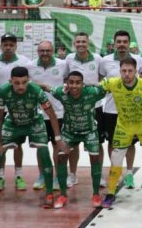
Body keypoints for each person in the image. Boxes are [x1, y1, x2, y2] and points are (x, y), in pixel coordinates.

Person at [0, 67, 64, 209]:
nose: (21, 86)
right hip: (13, 123)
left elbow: (51, 113)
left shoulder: (36, 90)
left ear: (29, 81)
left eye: (24, 82)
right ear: (11, 81)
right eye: (17, 83)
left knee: (44, 151)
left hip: (34, 122)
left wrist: (58, 138)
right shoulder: (3, 91)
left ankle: (49, 194)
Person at [100, 59, 142, 210]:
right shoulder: (112, 83)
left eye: (130, 71)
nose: (127, 74)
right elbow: (95, 88)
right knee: (116, 156)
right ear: (120, 71)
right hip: (124, 125)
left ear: (136, 72)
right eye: (124, 71)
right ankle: (111, 193)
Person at [51, 71, 106, 207]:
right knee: (61, 158)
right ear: (66, 83)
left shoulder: (92, 92)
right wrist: (29, 83)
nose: (74, 86)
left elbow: (106, 87)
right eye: (71, 82)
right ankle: (63, 195)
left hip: (89, 131)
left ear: (83, 84)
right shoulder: (61, 93)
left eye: (78, 83)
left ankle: (96, 194)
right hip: (69, 132)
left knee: (95, 158)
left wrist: (92, 83)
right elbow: (46, 88)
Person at [0, 33, 33, 191]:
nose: (8, 47)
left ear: (16, 46)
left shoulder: (24, 61)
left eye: (11, 45)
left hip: (18, 110)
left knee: (17, 145)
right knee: (0, 143)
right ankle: (0, 176)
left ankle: (18, 176)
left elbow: (28, 82)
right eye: (5, 44)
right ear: (1, 46)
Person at [27, 41, 69, 192]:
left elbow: (69, 83)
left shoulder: (63, 64)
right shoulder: (30, 66)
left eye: (48, 50)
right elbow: (24, 84)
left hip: (59, 113)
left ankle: (58, 176)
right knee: (41, 147)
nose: (45, 53)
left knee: (58, 146)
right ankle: (42, 176)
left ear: (53, 51)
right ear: (38, 51)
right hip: (37, 115)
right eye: (42, 50)